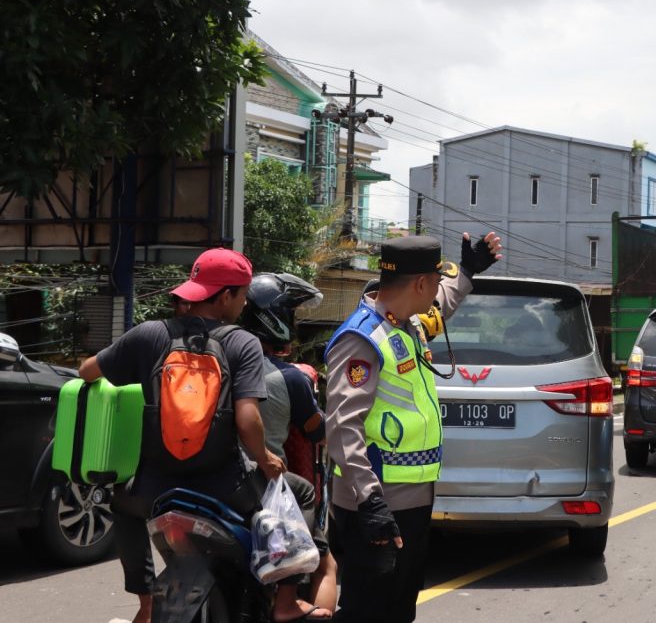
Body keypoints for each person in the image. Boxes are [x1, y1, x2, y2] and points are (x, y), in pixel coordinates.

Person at [78, 248, 331, 623]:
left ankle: (146, 606)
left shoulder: (150, 334)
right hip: (224, 485)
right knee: (302, 492)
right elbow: (247, 419)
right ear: (225, 296)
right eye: (242, 294)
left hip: (154, 490)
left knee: (121, 505)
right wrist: (266, 459)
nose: (243, 303)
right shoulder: (241, 342)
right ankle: (286, 599)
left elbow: (87, 371)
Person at [325, 232, 502, 623]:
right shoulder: (363, 338)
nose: (438, 289)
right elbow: (342, 425)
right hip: (376, 502)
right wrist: (370, 500)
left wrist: (467, 271)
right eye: (436, 280)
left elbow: (442, 304)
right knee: (367, 610)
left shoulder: (406, 325)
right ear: (420, 283)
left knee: (399, 607)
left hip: (411, 500)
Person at [238, 272, 338, 613]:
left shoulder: (216, 359)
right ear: (275, 318)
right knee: (324, 564)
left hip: (205, 477)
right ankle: (288, 593)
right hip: (261, 486)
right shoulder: (291, 376)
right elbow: (316, 432)